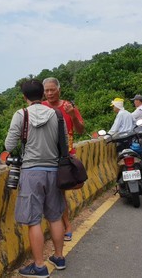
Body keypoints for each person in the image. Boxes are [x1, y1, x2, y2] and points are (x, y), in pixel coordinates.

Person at [4, 79, 66, 277]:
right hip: (54, 171)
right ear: (42, 94)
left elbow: (9, 144)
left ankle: (39, 266)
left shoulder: (21, 114)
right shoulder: (56, 114)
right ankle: (58, 257)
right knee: (55, 216)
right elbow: (63, 141)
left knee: (34, 221)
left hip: (31, 172)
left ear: (24, 97)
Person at [42, 77, 84, 243]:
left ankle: (66, 226)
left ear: (59, 89)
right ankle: (60, 225)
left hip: (65, 157)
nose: (50, 93)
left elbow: (81, 130)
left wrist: (73, 115)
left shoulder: (68, 106)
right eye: (47, 90)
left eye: (52, 89)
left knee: (60, 192)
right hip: (46, 155)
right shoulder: (40, 107)